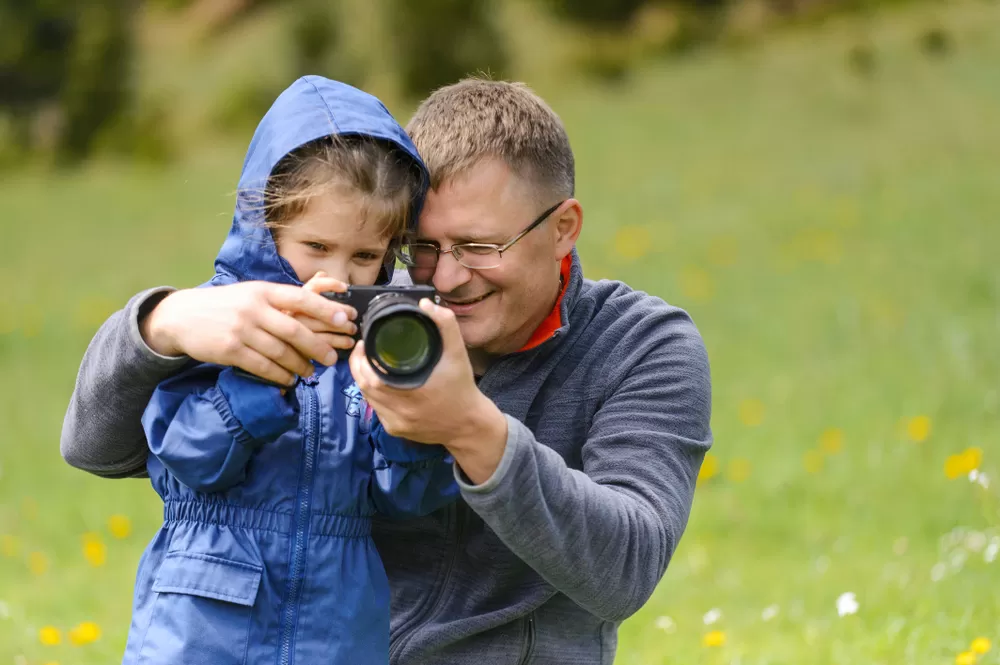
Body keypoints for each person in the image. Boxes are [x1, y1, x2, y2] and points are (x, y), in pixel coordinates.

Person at [61, 78, 713, 665]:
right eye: (423, 248)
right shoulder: (356, 308)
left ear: (563, 227)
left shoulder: (642, 344)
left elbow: (625, 570)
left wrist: (470, 428)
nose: (449, 278)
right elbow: (96, 449)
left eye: (480, 247)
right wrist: (158, 324)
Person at [117, 76, 459, 665]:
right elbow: (185, 458)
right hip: (203, 618)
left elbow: (407, 498)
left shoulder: (380, 337)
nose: (339, 273)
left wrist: (407, 411)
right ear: (266, 225)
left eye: (364, 257)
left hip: (335, 619)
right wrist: (265, 376)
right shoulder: (218, 321)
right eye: (316, 247)